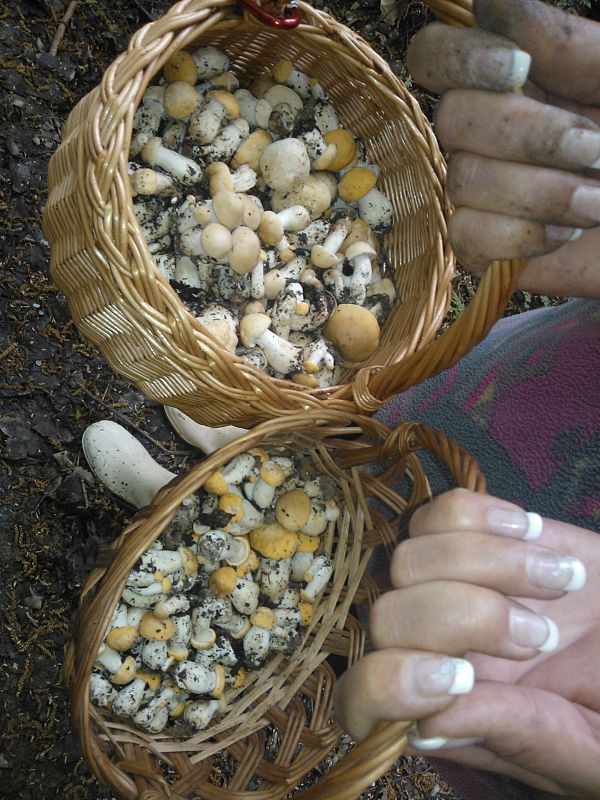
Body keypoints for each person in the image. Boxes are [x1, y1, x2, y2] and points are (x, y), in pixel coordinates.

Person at [332, 0, 600, 797]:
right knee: (405, 431)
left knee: (419, 642)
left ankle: (312, 658)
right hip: (554, 381)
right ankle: (314, 470)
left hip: (545, 608)